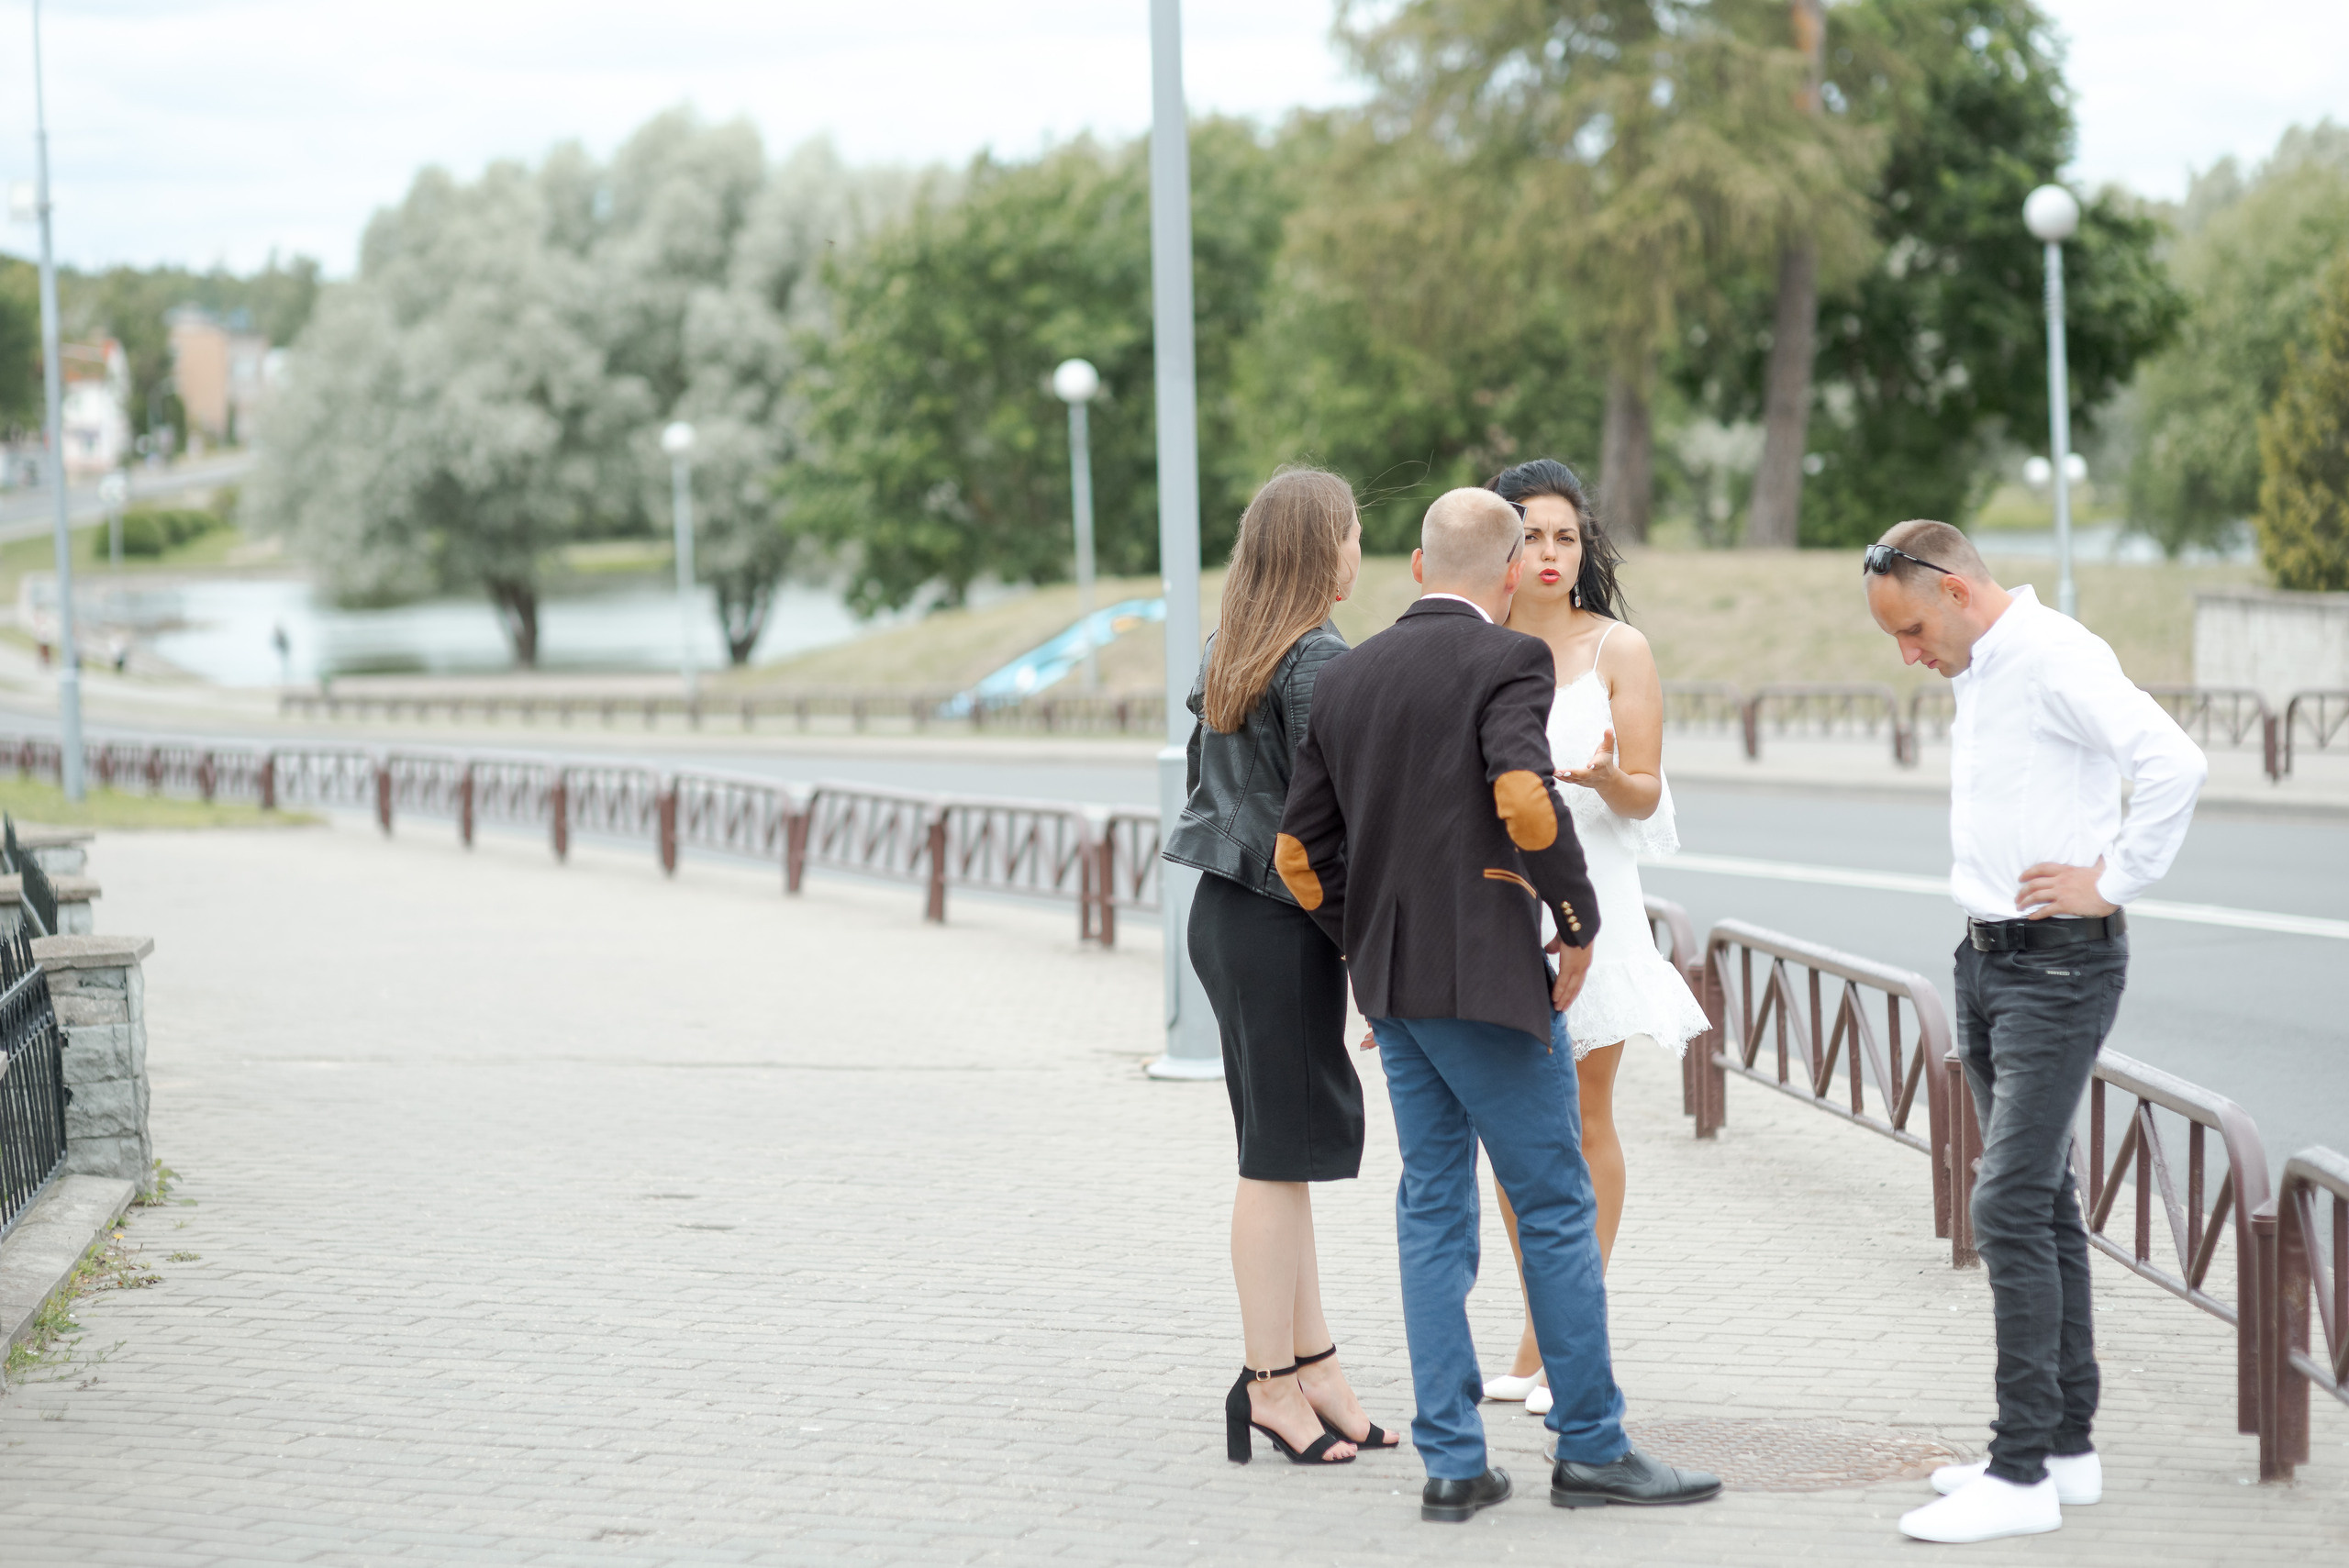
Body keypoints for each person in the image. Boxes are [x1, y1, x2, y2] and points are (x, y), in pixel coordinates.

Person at [1277, 486, 1720, 1522]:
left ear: (1421, 569)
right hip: (1490, 976)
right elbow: (1524, 799)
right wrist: (1575, 922)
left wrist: (1365, 934)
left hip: (1394, 988)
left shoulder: (1347, 674)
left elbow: (1298, 853)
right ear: (1512, 570)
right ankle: (1596, 1448)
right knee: (1555, 1202)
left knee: (1431, 1207)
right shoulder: (1512, 660)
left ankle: (1453, 1460)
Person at [1863, 519, 2206, 1545]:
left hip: (2059, 962)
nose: (1909, 654)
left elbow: (2174, 761)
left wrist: (2111, 878)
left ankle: (2019, 1473)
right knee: (2042, 1199)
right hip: (1989, 958)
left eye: (1914, 628)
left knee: (2006, 1201)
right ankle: (2064, 1447)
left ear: (1961, 593)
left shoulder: (2053, 655)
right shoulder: (1982, 666)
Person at [1162, 466, 1397, 1468]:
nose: (1358, 550)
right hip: (1278, 916)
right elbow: (1334, 828)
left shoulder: (1239, 648)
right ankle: (1267, 1384)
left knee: (1284, 1149)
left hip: (1228, 912)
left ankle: (1316, 1369)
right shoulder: (1318, 662)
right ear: (1321, 548)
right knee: (1273, 1156)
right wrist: (1375, 949)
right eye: (1350, 532)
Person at [1476, 459, 1709, 1418]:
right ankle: (1539, 1337)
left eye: (1564, 536)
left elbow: (1647, 787)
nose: (1548, 552)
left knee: (1580, 1114)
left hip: (1594, 907)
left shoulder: (1619, 648)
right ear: (1499, 544)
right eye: (1529, 534)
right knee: (1507, 1131)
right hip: (1493, 910)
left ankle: (1553, 1343)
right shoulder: (1476, 644)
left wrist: (1607, 778)